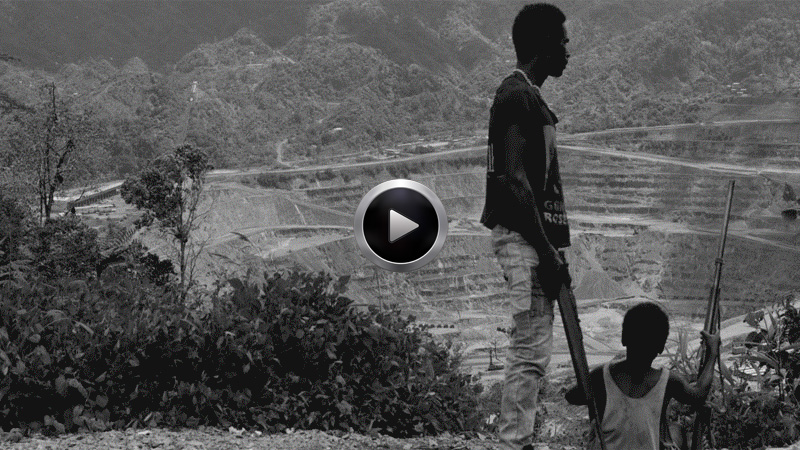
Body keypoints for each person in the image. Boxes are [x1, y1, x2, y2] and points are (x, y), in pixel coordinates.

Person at [479, 3, 571, 450]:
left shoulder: (527, 96)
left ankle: (519, 439)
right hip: (524, 240)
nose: (568, 50)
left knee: (533, 345)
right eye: (563, 41)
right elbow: (514, 180)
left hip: (533, 240)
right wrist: (546, 250)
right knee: (530, 348)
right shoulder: (517, 96)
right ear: (543, 44)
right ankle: (514, 443)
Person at [565, 302, 721, 450]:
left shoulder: (602, 375)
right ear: (661, 347)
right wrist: (712, 352)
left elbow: (572, 396)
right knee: (676, 432)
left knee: (675, 430)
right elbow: (699, 393)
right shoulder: (668, 381)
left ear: (624, 338)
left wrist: (593, 392)